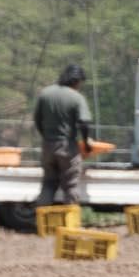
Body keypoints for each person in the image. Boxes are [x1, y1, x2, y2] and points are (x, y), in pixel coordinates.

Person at [32, 63, 94, 208]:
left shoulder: (45, 93)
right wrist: (85, 143)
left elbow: (37, 120)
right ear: (76, 81)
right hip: (67, 147)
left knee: (48, 183)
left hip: (47, 146)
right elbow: (84, 122)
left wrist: (46, 137)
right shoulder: (76, 97)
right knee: (70, 185)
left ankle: (42, 219)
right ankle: (69, 223)